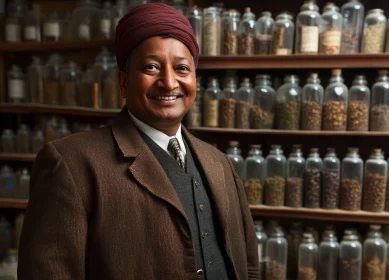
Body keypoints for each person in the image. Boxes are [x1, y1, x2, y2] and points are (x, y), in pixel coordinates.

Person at [18, 3, 259, 280]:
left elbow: (249, 266)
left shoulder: (220, 163)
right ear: (123, 82)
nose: (169, 83)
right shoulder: (71, 163)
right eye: (151, 67)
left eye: (182, 68)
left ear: (195, 79)